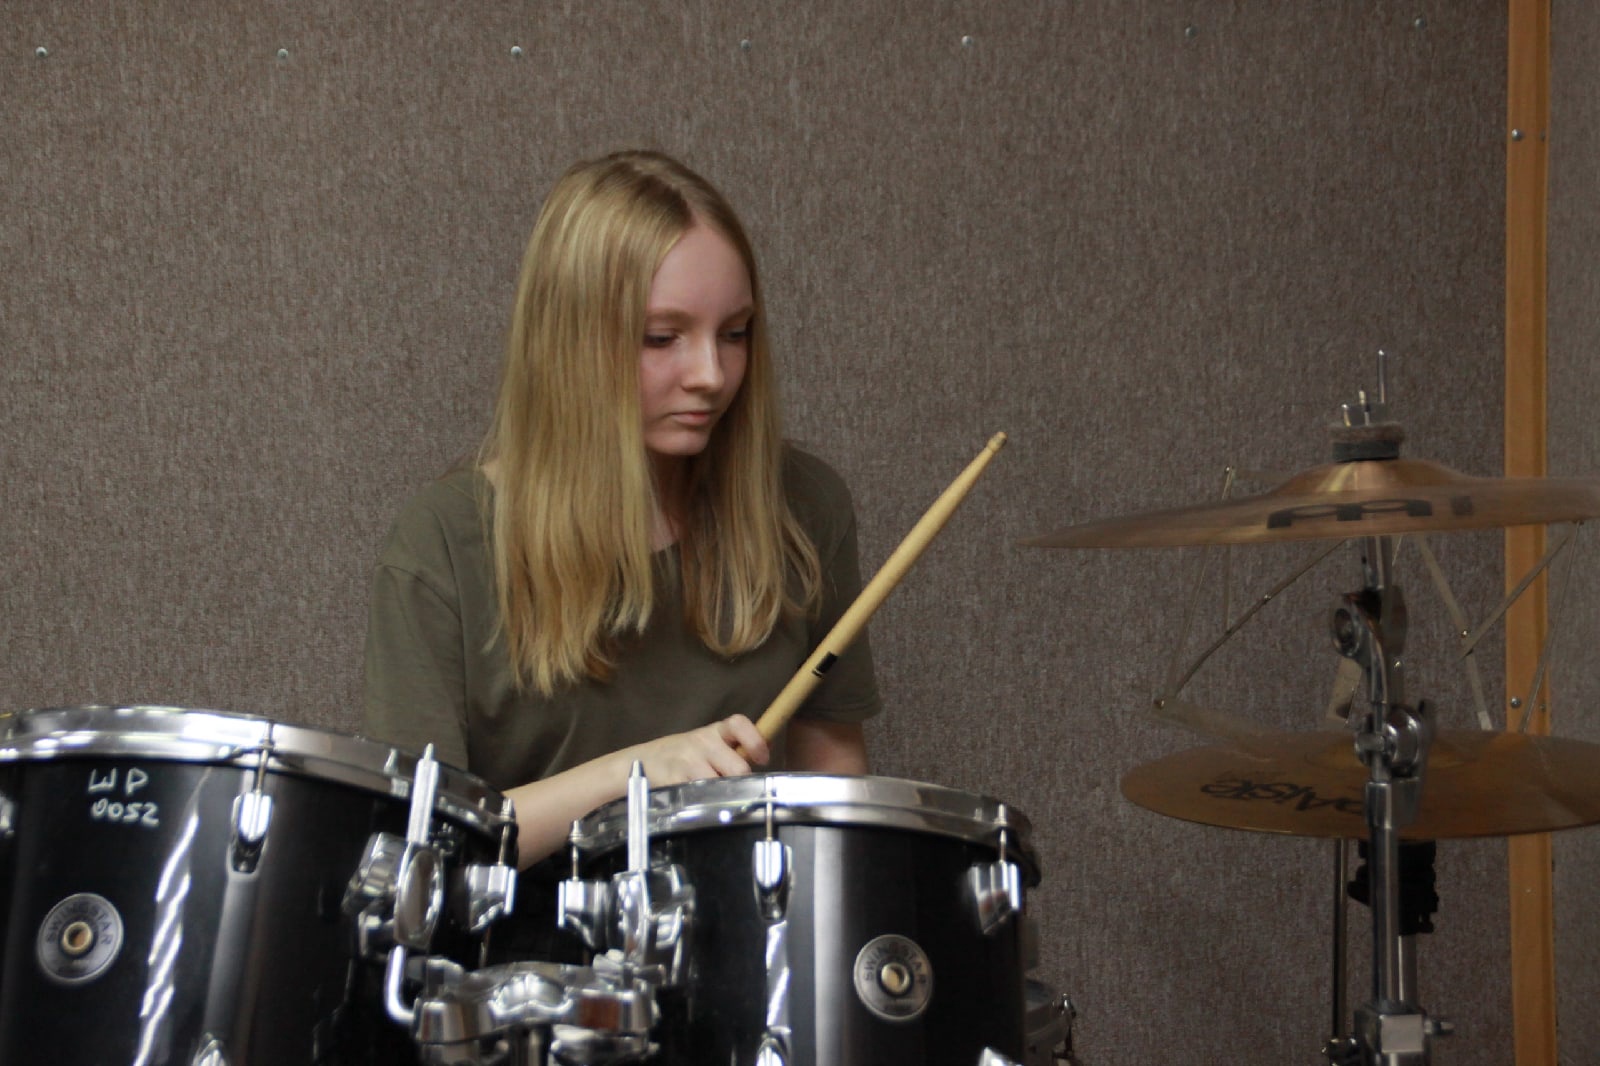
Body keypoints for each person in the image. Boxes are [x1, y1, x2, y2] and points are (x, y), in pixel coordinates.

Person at [363, 150, 881, 872]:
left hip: (738, 934)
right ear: (569, 342)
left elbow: (834, 783)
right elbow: (423, 852)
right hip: (522, 943)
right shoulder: (443, 545)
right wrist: (634, 775)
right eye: (661, 338)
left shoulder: (804, 506)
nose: (710, 375)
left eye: (735, 333)